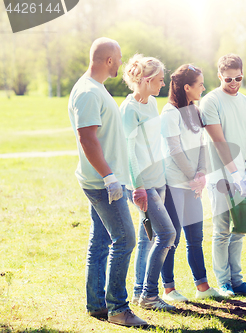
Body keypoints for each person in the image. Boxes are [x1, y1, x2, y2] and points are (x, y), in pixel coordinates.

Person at [67, 38, 147, 327]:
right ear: (109, 60)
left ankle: (97, 304)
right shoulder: (88, 92)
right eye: (120, 58)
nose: (123, 63)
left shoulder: (95, 89)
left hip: (106, 179)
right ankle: (117, 308)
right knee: (125, 239)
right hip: (102, 182)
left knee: (100, 242)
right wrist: (109, 177)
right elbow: (86, 138)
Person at [200, 53, 246, 297]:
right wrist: (234, 173)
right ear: (219, 76)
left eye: (238, 78)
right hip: (220, 176)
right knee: (222, 229)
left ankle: (238, 280)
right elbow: (219, 140)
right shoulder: (210, 101)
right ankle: (224, 281)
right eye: (228, 79)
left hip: (241, 175)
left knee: (240, 229)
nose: (233, 83)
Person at [160, 64, 222, 301]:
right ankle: (168, 289)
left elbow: (202, 145)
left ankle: (202, 287)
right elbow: (174, 150)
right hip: (175, 184)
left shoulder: (195, 111)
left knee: (195, 238)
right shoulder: (169, 113)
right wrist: (192, 177)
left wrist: (202, 173)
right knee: (172, 238)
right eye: (200, 84)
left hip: (193, 184)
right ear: (187, 87)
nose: (203, 88)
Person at [120, 54, 177, 311]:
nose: (163, 85)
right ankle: (150, 295)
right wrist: (138, 186)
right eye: (160, 80)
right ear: (147, 80)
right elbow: (129, 151)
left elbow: (156, 142)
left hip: (159, 179)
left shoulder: (152, 103)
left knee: (149, 238)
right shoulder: (128, 109)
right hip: (144, 184)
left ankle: (138, 293)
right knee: (167, 234)